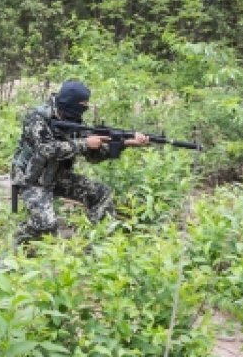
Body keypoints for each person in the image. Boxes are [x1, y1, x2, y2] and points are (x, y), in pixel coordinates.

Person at [10, 79, 149, 247]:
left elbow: (93, 157)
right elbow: (45, 149)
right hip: (30, 179)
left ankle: (96, 244)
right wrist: (84, 143)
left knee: (101, 194)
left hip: (57, 176)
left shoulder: (74, 121)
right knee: (46, 225)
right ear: (70, 102)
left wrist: (124, 143)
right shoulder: (38, 117)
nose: (84, 108)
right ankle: (16, 244)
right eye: (82, 104)